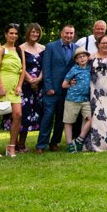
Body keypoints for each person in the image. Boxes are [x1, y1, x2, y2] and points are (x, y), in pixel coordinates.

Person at [0, 23, 26, 157]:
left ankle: (11, 146)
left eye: (15, 33)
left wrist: (20, 85)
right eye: (11, 33)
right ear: (5, 34)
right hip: (0, 85)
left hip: (14, 88)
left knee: (17, 114)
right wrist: (1, 87)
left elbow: (23, 70)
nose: (13, 35)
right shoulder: (0, 49)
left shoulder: (19, 50)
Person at [36, 24, 75, 154]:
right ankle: (41, 145)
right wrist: (48, 87)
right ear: (61, 34)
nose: (69, 35)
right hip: (51, 89)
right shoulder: (51, 47)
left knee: (61, 119)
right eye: (66, 33)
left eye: (71, 33)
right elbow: (46, 67)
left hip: (67, 90)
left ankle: (54, 142)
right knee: (47, 117)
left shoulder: (76, 49)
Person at [82, 37, 107, 152]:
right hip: (95, 92)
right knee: (96, 117)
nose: (105, 45)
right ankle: (97, 143)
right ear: (98, 44)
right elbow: (82, 71)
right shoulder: (91, 57)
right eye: (103, 43)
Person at [17, 23, 44, 152]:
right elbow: (19, 65)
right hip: (24, 85)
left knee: (33, 114)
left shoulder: (43, 48)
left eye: (37, 32)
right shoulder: (21, 48)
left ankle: (23, 143)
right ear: (28, 33)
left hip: (39, 85)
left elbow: (46, 65)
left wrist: (38, 79)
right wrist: (29, 79)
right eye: (32, 32)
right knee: (23, 113)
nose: (35, 34)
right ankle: (17, 143)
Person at [60, 47, 93, 150]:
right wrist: (71, 84)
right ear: (76, 60)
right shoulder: (74, 69)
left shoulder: (90, 68)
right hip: (72, 99)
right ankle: (70, 144)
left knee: (91, 119)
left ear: (87, 57)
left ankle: (80, 139)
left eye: (84, 56)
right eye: (79, 57)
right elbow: (64, 85)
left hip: (85, 99)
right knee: (69, 121)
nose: (82, 58)